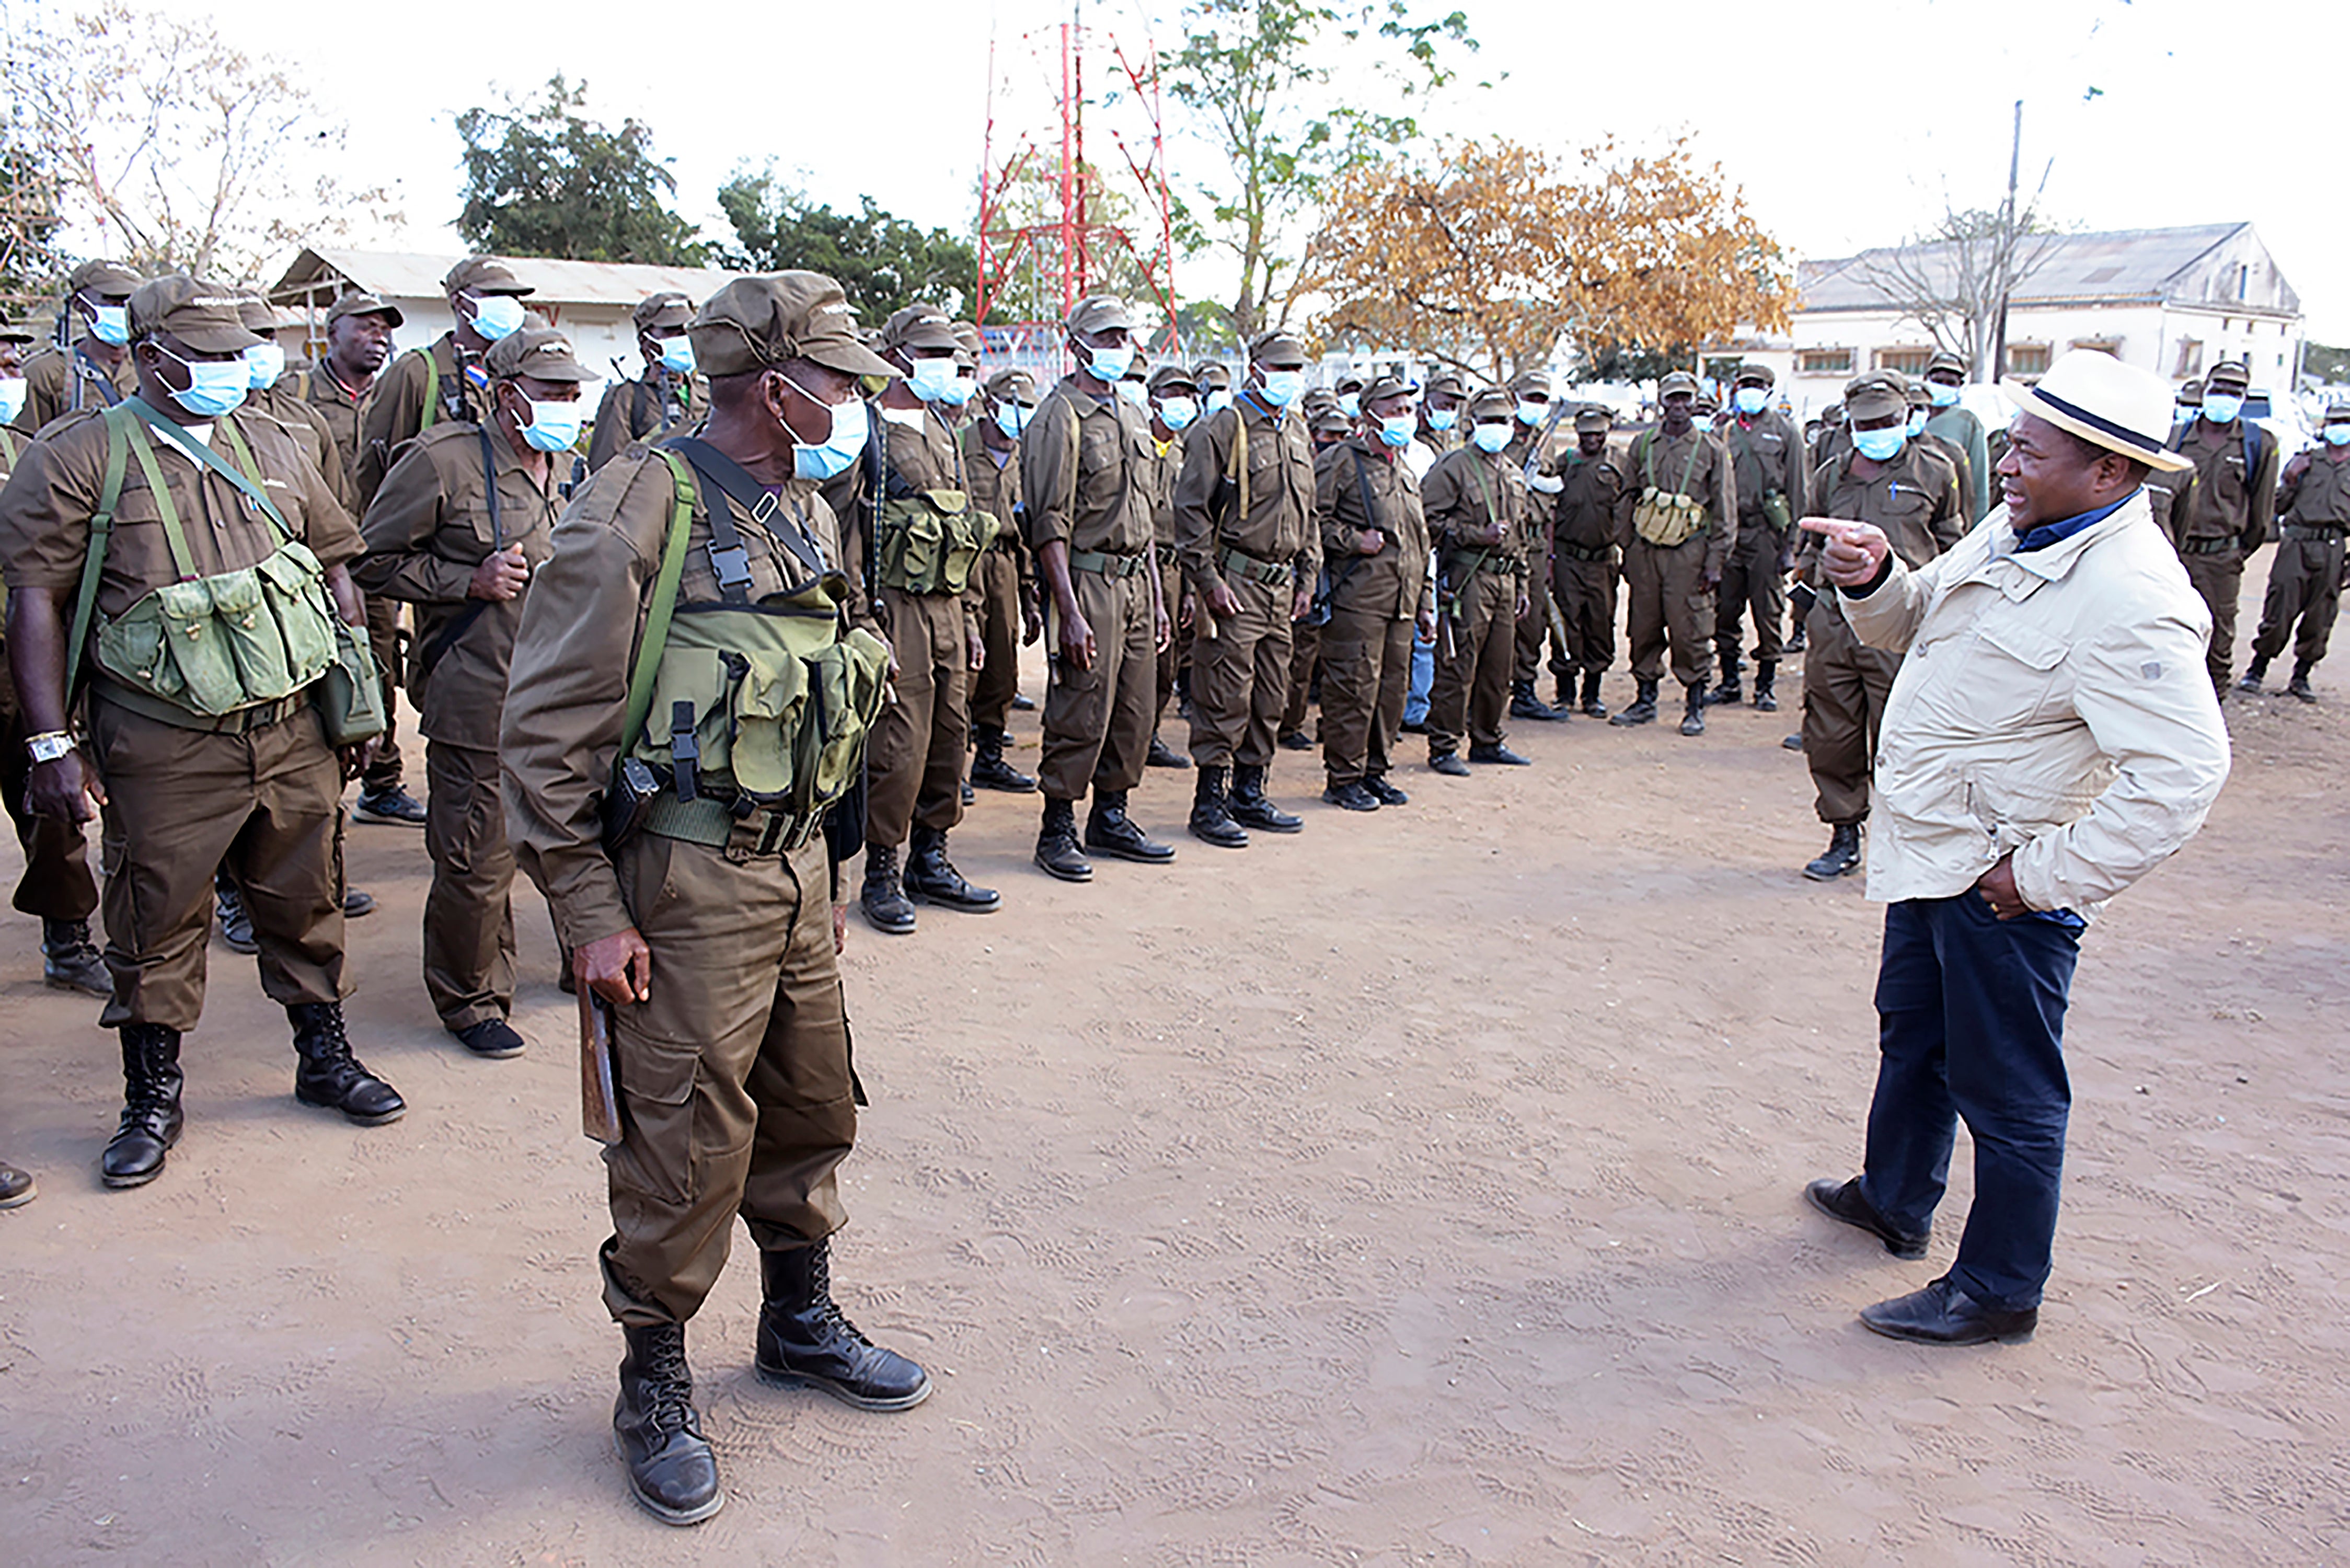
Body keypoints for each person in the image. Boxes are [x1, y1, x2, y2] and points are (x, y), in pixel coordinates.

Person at [503, 273, 928, 1527]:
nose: (856, 401)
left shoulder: (806, 501)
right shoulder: (641, 501)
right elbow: (545, 733)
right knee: (684, 1135)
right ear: (771, 380)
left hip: (792, 874)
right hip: (682, 879)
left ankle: (798, 1320)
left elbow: (820, 697)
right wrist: (586, 911)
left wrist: (829, 869)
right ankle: (655, 1378)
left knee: (808, 1102)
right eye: (841, 379)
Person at [1802, 349, 2229, 1345]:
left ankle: (1998, 1290)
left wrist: (2036, 878)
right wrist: (1874, 578)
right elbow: (1912, 622)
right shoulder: (2019, 526)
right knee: (1915, 1034)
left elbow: (2182, 776)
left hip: (2004, 883)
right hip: (1935, 850)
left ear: (2108, 473)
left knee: (2010, 1091)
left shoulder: (2132, 600)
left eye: (2029, 453)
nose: (2004, 465)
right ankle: (1895, 1198)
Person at [0, 275, 405, 1190]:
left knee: (307, 899)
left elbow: (334, 567)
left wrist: (357, 700)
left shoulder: (275, 439)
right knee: (155, 916)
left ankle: (324, 1057)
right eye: (213, 355)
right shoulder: (77, 458)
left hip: (292, 723)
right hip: (164, 739)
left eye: (237, 351)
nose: (235, 369)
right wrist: (51, 745)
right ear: (150, 356)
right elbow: (37, 602)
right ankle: (153, 1096)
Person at [356, 327, 582, 1057]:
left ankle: (583, 956)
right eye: (552, 392)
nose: (567, 405)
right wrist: (466, 582)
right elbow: (370, 562)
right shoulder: (442, 462)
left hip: (565, 690)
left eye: (574, 393)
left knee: (572, 838)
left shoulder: (567, 465)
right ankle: (471, 995)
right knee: (477, 857)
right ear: (506, 392)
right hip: (479, 688)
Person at [834, 304, 996, 933]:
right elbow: (845, 534)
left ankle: (934, 856)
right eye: (929, 353)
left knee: (950, 737)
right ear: (898, 356)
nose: (942, 364)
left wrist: (974, 618)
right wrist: (860, 620)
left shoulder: (943, 430)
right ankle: (883, 870)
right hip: (893, 605)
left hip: (949, 608)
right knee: (897, 746)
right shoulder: (865, 430)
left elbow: (963, 532)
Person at [1019, 294, 1176, 880]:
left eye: (1122, 338)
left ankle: (1111, 817)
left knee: (1134, 709)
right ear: (1077, 344)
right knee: (1081, 705)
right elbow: (1049, 523)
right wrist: (1069, 611)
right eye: (1105, 338)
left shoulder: (1133, 413)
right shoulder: (1059, 416)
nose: (1117, 348)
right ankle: (1056, 826)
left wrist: (1157, 599)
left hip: (1137, 582)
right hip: (1088, 580)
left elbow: (1149, 518)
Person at [1793, 372, 1963, 882]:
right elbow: (1811, 531)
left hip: (1901, 621)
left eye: (1888, 421)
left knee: (1901, 731)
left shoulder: (1937, 470)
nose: (1877, 431)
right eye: (1866, 424)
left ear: (1906, 417)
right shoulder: (1829, 473)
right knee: (1829, 729)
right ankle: (1843, 832)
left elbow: (1952, 543)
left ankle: (1904, 837)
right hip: (1833, 618)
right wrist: (1805, 593)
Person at [1172, 329, 1318, 848]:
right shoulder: (1222, 429)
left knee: (1270, 694)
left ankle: (1249, 793)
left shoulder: (1295, 431)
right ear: (1254, 367)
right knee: (1223, 694)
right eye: (1280, 367)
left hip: (1282, 586)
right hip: (1235, 580)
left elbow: (1310, 513)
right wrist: (1206, 581)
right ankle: (1209, 802)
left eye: (1296, 368)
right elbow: (1188, 511)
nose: (1289, 377)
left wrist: (1308, 574)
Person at [0, 314, 107, 997]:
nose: (7, 368)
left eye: (9, 357)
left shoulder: (24, 450)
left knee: (50, 803)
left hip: (15, 661)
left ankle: (67, 937)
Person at [299, 290, 424, 827]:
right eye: (366, 327)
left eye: (384, 330)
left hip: (373, 558)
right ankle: (316, 794)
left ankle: (382, 782)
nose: (379, 338)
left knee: (376, 663)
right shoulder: (297, 395)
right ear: (333, 332)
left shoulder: (393, 397)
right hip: (308, 562)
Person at [1316, 373, 1435, 811]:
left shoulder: (1402, 465)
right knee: (1353, 688)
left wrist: (1423, 602)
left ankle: (1374, 772)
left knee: (1390, 691)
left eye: (1408, 409)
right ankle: (1344, 776)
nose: (1405, 417)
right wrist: (1353, 540)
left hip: (1401, 600)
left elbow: (1417, 539)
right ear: (1368, 415)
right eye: (1395, 410)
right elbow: (1313, 520)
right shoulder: (1342, 461)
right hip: (1358, 598)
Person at [1612, 370, 1735, 735]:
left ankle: (1694, 703)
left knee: (1691, 629)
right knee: (1644, 626)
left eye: (1685, 399)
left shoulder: (1712, 449)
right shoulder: (1643, 445)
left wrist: (1715, 563)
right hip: (1647, 552)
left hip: (1689, 553)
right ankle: (1644, 698)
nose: (1678, 406)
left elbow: (1725, 511)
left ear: (1694, 402)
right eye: (1672, 399)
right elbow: (1626, 497)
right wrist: (1629, 547)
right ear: (1661, 402)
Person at [357, 256, 536, 502]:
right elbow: (376, 470)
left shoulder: (518, 377)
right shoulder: (417, 372)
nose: (508, 304)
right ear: (460, 301)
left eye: (513, 298)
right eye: (494, 295)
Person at [1423, 387, 1531, 774]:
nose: (1495, 428)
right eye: (1488, 421)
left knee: (1499, 668)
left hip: (1505, 580)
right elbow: (1426, 520)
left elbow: (1522, 533)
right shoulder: (1454, 466)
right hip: (1468, 577)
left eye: (1502, 421)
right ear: (1473, 423)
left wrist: (1522, 583)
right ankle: (1444, 745)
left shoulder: (1515, 474)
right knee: (1458, 664)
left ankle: (1488, 739)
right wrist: (1472, 534)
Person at [2163, 360, 2279, 696]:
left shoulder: (2259, 443)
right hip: (2173, 555)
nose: (2224, 397)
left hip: (2221, 558)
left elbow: (2261, 511)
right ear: (2205, 391)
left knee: (2217, 639)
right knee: (2164, 629)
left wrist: (2237, 553)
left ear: (2244, 397)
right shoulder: (2176, 438)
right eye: (2218, 390)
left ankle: (2212, 711)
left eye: (2234, 392)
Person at [1707, 363, 1806, 712]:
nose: (1750, 391)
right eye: (1745, 385)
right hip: (1733, 533)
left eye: (1758, 385)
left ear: (1769, 390)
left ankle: (1765, 685)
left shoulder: (1785, 432)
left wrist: (1790, 546)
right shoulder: (1726, 432)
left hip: (1767, 533)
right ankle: (1729, 680)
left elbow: (1798, 488)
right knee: (1726, 610)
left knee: (1768, 613)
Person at [962, 368, 1041, 791]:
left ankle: (989, 758)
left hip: (1006, 568)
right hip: (967, 565)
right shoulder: (960, 446)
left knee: (1002, 670)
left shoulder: (1024, 457)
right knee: (963, 669)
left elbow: (1025, 528)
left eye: (1027, 407)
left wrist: (1029, 593)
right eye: (1014, 405)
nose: (1020, 415)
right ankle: (952, 764)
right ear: (989, 403)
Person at [2240, 400, 2350, 700]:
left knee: (2320, 615)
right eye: (2336, 422)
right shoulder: (2307, 460)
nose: (2342, 428)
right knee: (2279, 608)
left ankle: (2301, 677)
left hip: (2332, 547)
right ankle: (2256, 670)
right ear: (2325, 427)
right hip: (2297, 542)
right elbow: (2277, 505)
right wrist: (2290, 480)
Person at [1548, 405, 1631, 719]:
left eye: (1598, 433)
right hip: (1569, 557)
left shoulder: (1619, 463)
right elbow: (1551, 511)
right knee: (1565, 623)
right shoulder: (1564, 464)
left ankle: (1592, 694)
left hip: (1603, 559)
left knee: (1600, 622)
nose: (1592, 439)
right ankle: (1564, 693)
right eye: (1586, 434)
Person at [1140, 362, 1199, 770]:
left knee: (1168, 660)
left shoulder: (1187, 453)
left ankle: (1151, 734)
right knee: (1135, 660)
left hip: (1176, 568)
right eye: (1173, 394)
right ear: (1153, 399)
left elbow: (1197, 522)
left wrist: (1192, 588)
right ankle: (1129, 737)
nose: (1181, 403)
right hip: (1140, 566)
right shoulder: (1135, 443)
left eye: (1187, 395)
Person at [1502, 370, 1566, 721]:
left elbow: (1551, 502)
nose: (1537, 406)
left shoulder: (1546, 442)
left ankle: (1525, 689)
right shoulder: (1498, 438)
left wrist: (1552, 554)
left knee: (1532, 621)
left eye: (1543, 400)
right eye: (1532, 398)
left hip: (1536, 542)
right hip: (1503, 541)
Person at [11, 260, 141, 436]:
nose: (124, 308)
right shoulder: (46, 373)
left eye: (130, 300)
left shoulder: (156, 369)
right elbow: (21, 448)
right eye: (113, 300)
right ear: (79, 303)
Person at [586, 292, 704, 472]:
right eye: (672, 331)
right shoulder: (626, 398)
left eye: (687, 330)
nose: (683, 338)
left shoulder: (709, 394)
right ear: (645, 341)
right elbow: (606, 471)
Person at [1921, 350, 1991, 523]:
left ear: (1960, 386)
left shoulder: (1967, 423)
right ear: (1926, 380)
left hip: (1951, 513)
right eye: (1938, 381)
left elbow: (1978, 478)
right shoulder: (1912, 417)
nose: (1943, 386)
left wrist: (1977, 524)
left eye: (1950, 383)